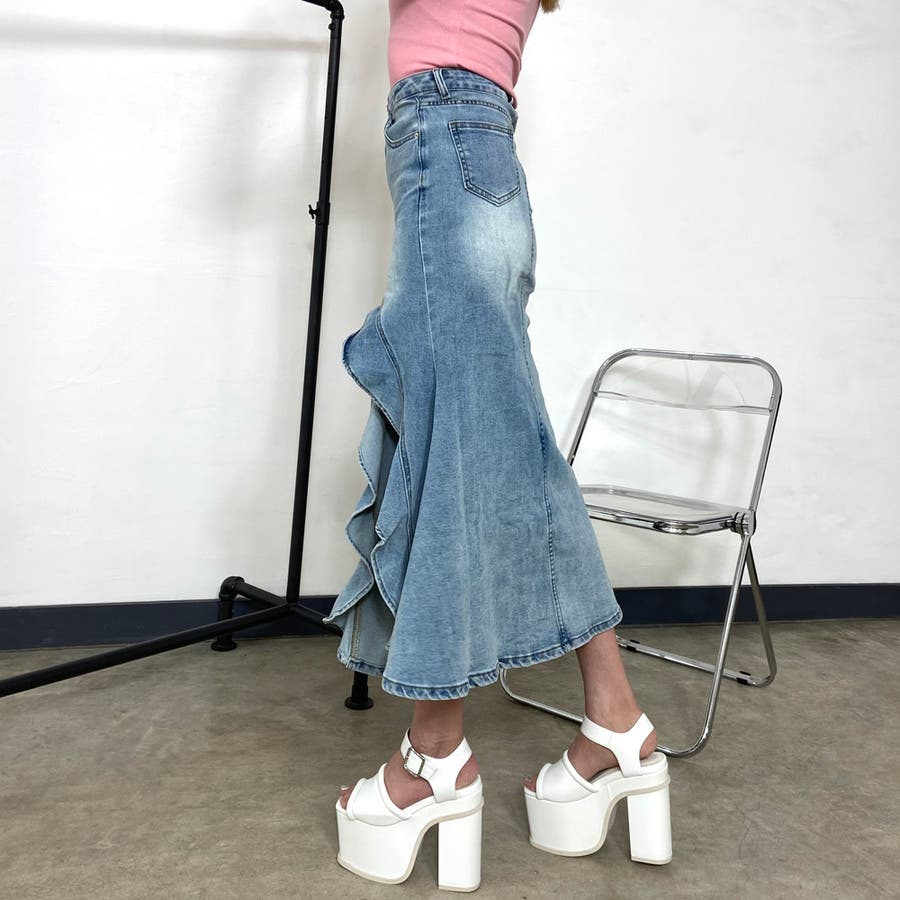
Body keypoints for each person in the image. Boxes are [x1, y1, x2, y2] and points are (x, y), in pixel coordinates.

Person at [323, 0, 672, 889]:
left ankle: (434, 755)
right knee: (506, 448)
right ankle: (617, 724)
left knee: (453, 447)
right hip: (477, 148)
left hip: (445, 135)